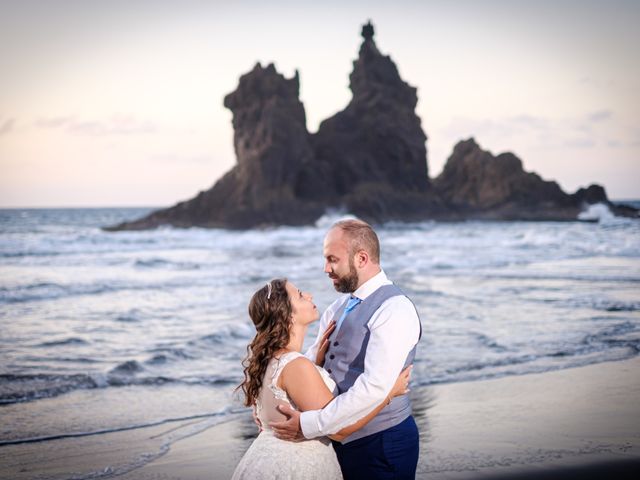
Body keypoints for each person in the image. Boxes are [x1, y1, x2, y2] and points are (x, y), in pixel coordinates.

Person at [271, 219, 422, 479]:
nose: (325, 268)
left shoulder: (394, 309)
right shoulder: (337, 308)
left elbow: (374, 387)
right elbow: (307, 364)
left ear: (362, 259)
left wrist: (308, 425)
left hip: (381, 443)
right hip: (337, 441)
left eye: (332, 259)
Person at [232, 278, 411, 480]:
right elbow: (340, 429)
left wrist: (316, 367)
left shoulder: (268, 362)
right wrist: (389, 393)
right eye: (300, 295)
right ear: (288, 315)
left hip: (264, 461)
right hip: (298, 468)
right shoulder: (296, 366)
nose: (309, 295)